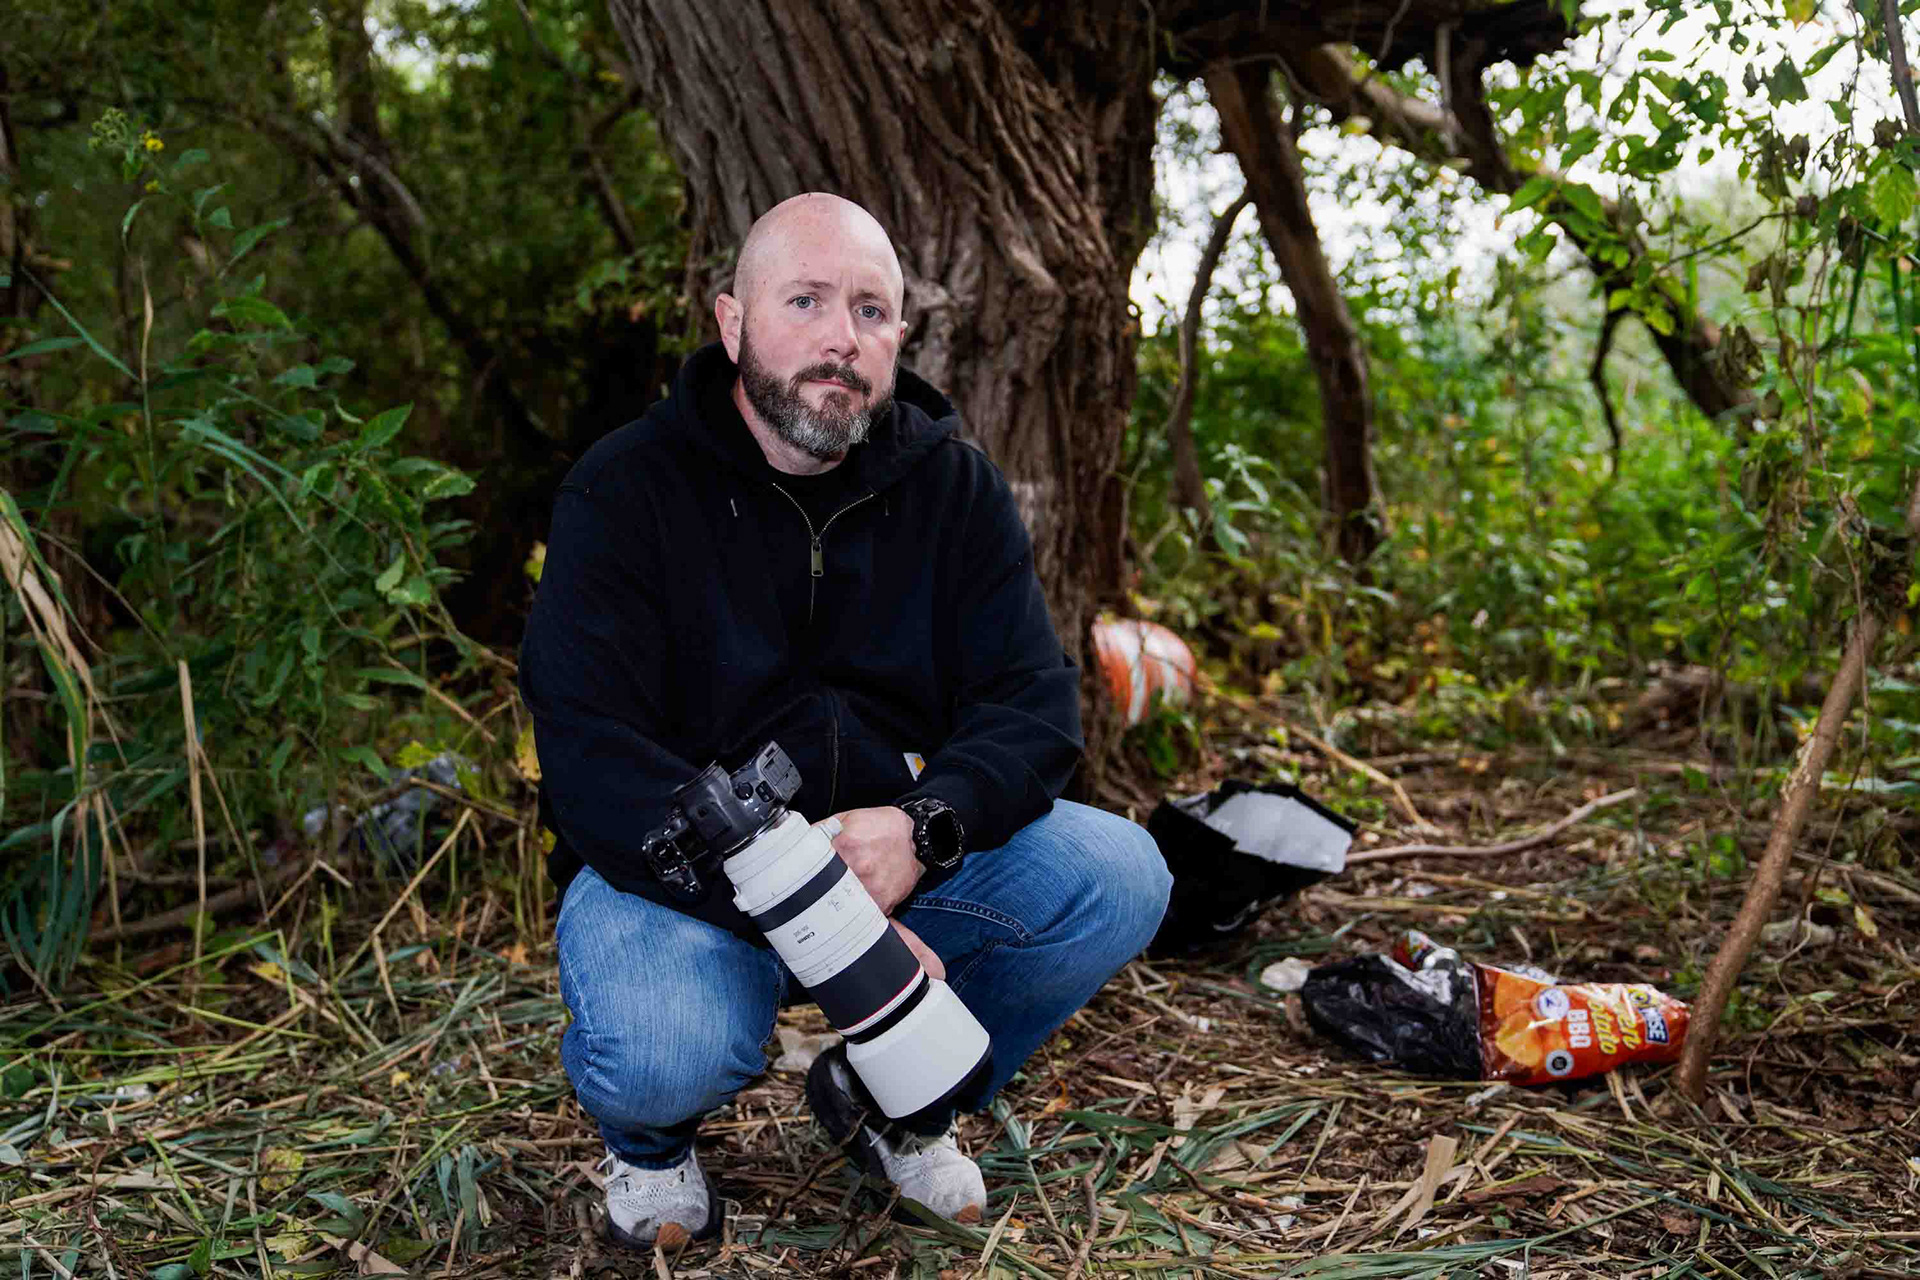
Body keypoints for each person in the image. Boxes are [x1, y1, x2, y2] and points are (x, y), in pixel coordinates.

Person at [519, 193, 1171, 1250]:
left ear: (900, 339)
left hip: (893, 853)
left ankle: (890, 1101)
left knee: (1123, 874)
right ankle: (649, 1147)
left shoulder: (953, 488)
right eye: (807, 300)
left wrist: (926, 825)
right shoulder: (624, 489)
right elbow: (589, 750)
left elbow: (1033, 703)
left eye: (871, 311)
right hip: (683, 875)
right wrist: (822, 919)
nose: (840, 337)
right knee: (661, 1045)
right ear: (732, 324)